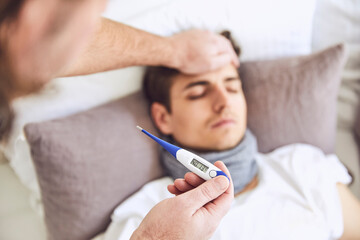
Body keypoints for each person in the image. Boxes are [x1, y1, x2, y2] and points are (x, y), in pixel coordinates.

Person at [0, 0, 239, 239]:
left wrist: (175, 52)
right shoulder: (141, 211)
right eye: (93, 12)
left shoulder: (277, 168)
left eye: (233, 87)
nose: (224, 103)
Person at [100, 31, 360, 240]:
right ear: (162, 118)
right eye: (198, 93)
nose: (223, 102)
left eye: (232, 87)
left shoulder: (301, 168)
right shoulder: (142, 217)